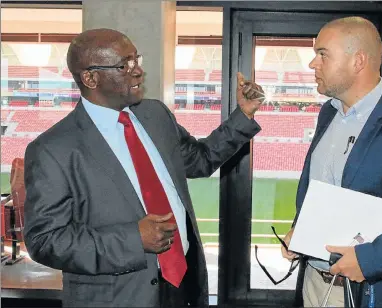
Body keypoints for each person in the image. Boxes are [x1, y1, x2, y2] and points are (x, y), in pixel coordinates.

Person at [23, 28, 264, 308]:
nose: (138, 71)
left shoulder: (155, 115)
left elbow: (200, 159)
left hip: (184, 286)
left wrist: (243, 114)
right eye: (124, 65)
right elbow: (45, 240)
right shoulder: (53, 149)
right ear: (90, 78)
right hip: (117, 297)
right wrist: (133, 239)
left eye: (136, 60)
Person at [280, 16, 382, 307]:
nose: (312, 64)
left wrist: (370, 260)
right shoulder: (328, 114)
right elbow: (327, 191)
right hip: (313, 284)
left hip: (377, 293)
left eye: (322, 54)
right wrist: (303, 229)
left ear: (358, 61)